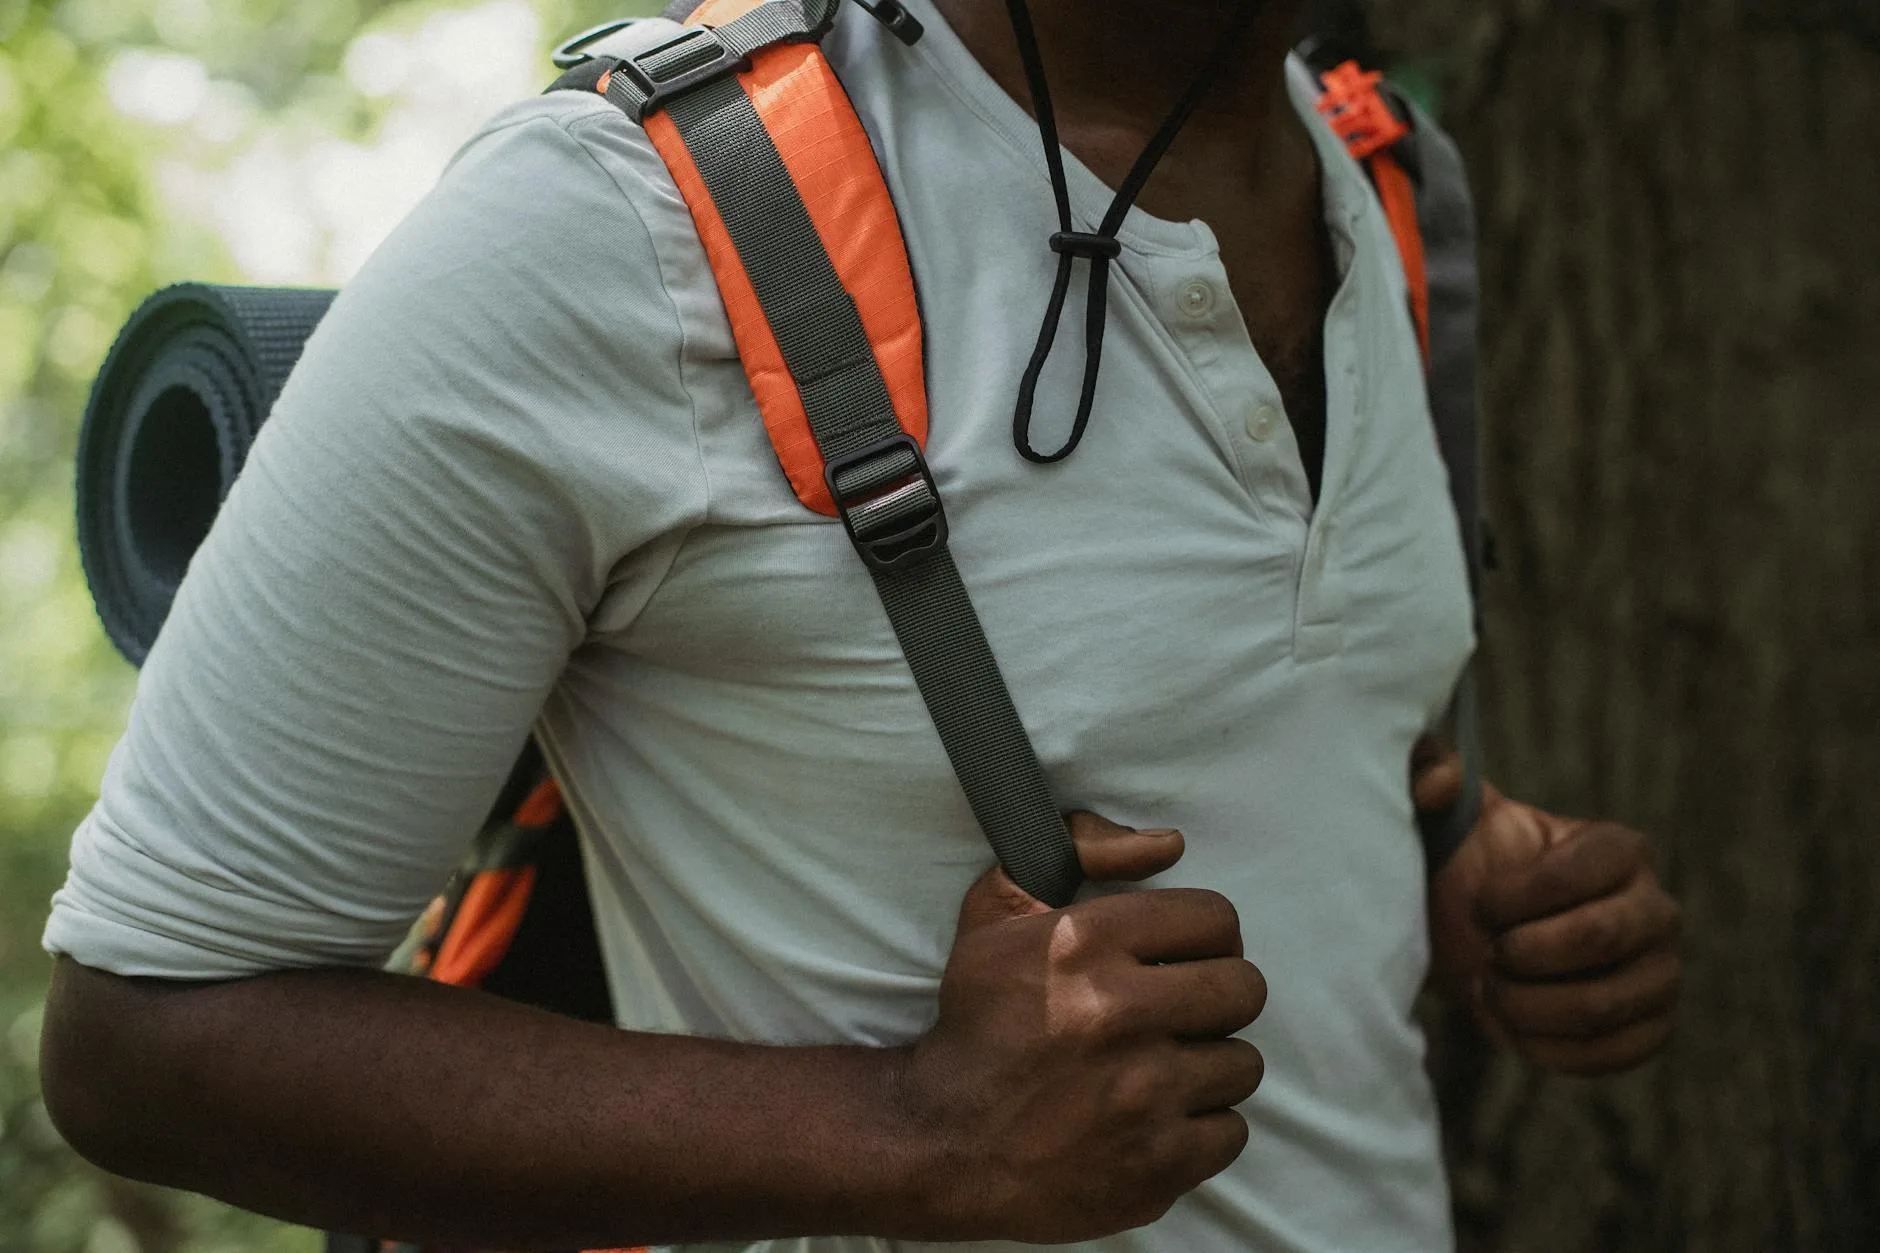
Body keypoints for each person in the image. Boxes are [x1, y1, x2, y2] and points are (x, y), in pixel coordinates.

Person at [38, 1, 1683, 1250]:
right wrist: (911, 1130)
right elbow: (145, 1034)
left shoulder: (1392, 191)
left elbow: (1281, 720)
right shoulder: (616, 226)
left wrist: (1451, 864)